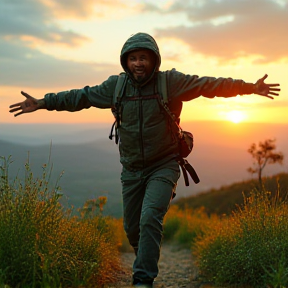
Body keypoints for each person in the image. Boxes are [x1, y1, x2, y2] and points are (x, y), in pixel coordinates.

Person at [9, 32, 280, 287]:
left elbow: (208, 84)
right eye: (133, 58)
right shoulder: (116, 86)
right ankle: (145, 257)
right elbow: (81, 96)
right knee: (132, 228)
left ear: (154, 59)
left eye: (144, 57)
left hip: (165, 163)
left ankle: (142, 279)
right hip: (131, 168)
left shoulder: (169, 82)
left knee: (150, 216)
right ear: (126, 61)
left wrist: (248, 87)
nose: (138, 63)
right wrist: (44, 102)